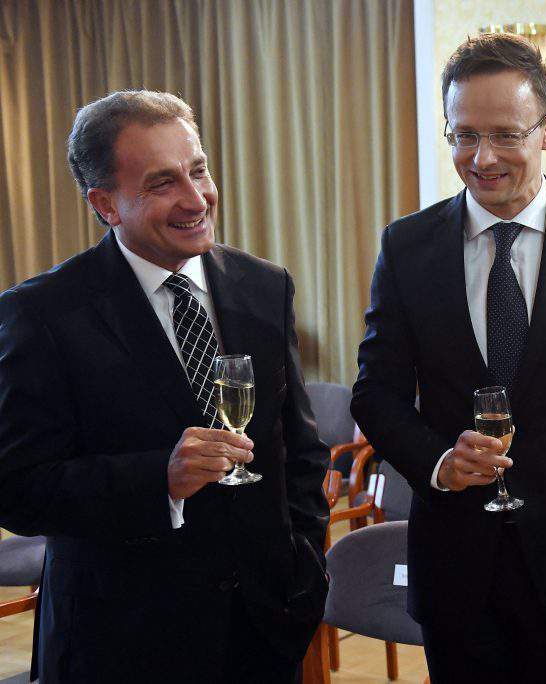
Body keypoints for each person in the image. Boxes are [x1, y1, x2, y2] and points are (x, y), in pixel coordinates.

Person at [351, 33, 546, 683]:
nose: (482, 157)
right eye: (464, 135)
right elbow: (375, 394)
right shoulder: (407, 246)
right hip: (456, 571)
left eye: (505, 135)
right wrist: (438, 461)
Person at [0, 90, 329, 683]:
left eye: (198, 171)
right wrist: (160, 479)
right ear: (105, 203)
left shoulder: (264, 285)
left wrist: (304, 573)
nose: (196, 199)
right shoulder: (41, 314)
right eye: (161, 183)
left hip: (263, 631)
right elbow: (18, 489)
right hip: (122, 643)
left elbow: (298, 451)